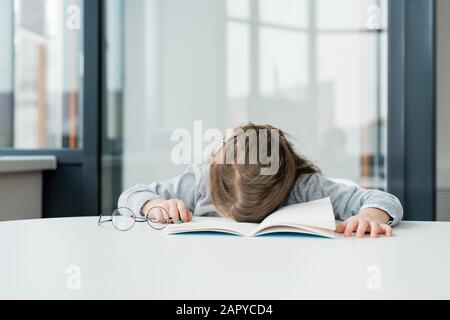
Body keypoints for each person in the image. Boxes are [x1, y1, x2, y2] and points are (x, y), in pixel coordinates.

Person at [118, 124, 403, 238]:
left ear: (283, 182)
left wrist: (370, 215)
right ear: (215, 174)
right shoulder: (198, 181)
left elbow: (383, 200)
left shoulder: (303, 186)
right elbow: (130, 195)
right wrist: (153, 204)